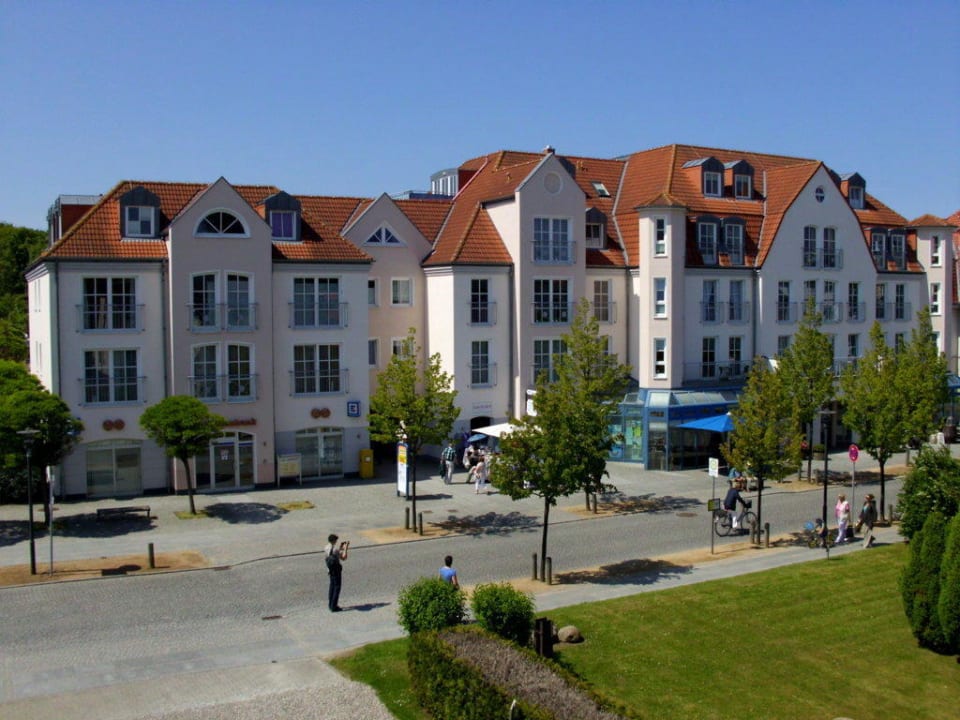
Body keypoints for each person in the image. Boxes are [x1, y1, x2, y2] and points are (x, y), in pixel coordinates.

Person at [323, 533, 349, 611]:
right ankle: (334, 606)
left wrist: (340, 549)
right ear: (334, 540)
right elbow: (344, 558)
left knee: (332, 586)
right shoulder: (335, 550)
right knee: (337, 587)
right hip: (336, 570)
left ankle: (330, 604)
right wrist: (345, 549)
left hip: (330, 569)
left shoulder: (326, 547)